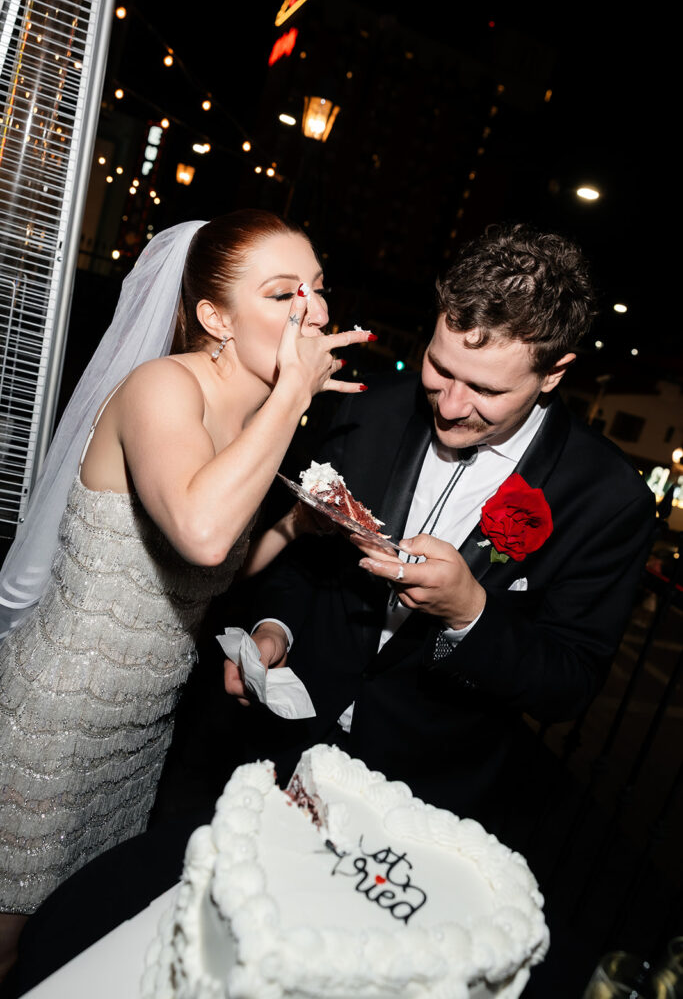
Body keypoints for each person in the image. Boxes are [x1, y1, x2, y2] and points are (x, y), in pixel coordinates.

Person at [0, 209, 372, 977]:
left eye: (316, 288)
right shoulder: (160, 386)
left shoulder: (252, 413)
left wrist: (298, 527)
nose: (313, 309)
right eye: (281, 293)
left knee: (69, 943)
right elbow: (202, 532)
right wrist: (293, 396)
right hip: (55, 719)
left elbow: (209, 570)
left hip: (139, 730)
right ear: (214, 317)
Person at [228, 223, 655, 824]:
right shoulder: (368, 409)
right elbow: (305, 554)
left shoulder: (608, 499)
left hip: (422, 790)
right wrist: (275, 627)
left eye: (485, 389)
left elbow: (570, 684)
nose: (450, 406)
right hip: (283, 740)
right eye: (439, 367)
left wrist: (470, 614)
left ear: (554, 373)